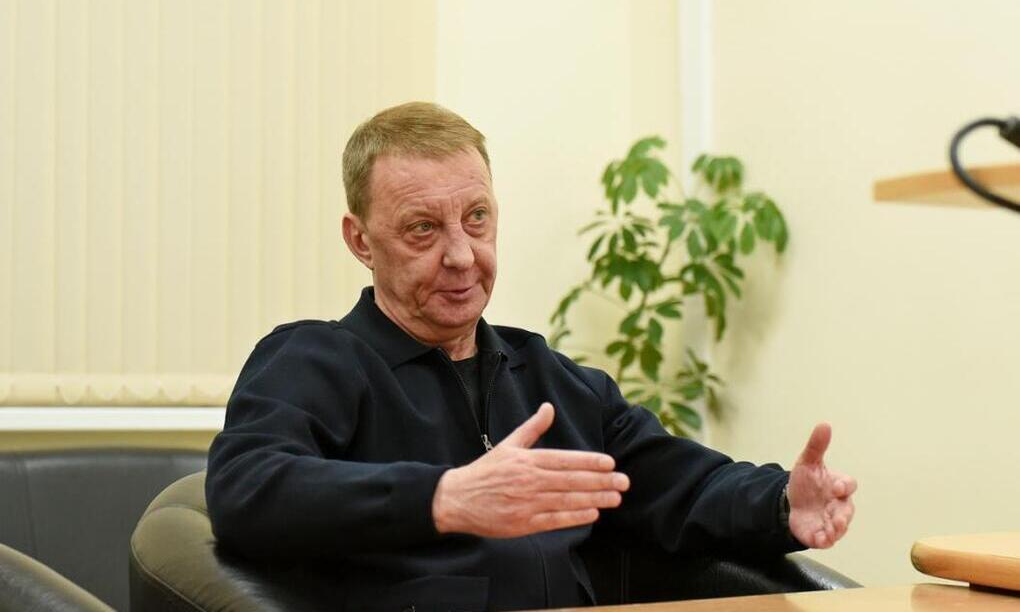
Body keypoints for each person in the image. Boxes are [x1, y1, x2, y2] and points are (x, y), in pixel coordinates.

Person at [205, 102, 857, 611]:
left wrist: (781, 501)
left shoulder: (548, 378)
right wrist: (443, 498)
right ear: (361, 241)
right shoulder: (314, 360)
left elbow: (682, 485)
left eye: (477, 218)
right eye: (423, 228)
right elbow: (246, 490)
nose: (461, 255)